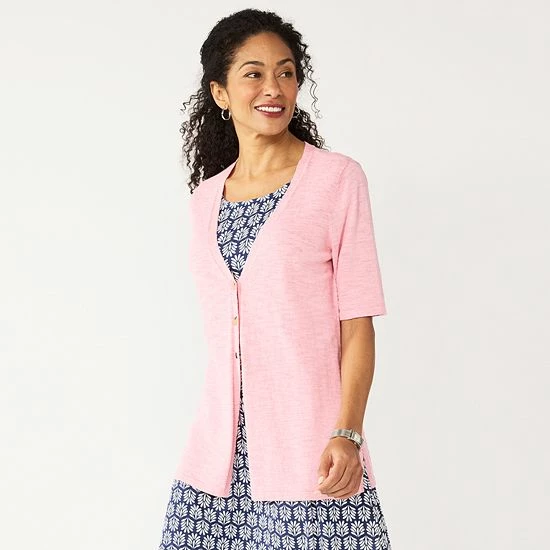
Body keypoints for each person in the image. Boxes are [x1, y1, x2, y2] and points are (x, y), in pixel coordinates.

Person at [158, 8, 393, 550]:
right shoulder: (204, 200)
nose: (274, 88)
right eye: (254, 74)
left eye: (286, 73)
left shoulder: (337, 180)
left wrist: (348, 432)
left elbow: (357, 325)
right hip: (216, 459)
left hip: (311, 451)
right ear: (220, 93)